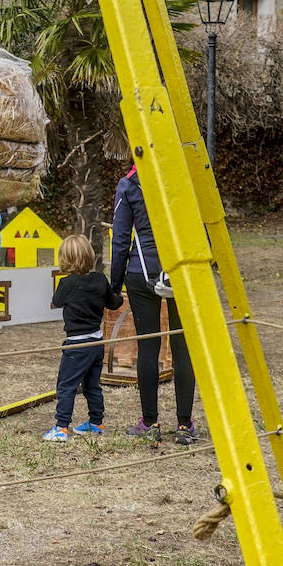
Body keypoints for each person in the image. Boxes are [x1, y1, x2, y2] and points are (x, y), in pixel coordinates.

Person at [109, 166, 198, 445]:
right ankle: (184, 425)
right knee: (182, 346)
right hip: (180, 270)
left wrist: (114, 284)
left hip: (140, 271)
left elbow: (120, 240)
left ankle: (149, 422)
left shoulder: (128, 184)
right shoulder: (184, 177)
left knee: (148, 347)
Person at [43, 235, 122, 442]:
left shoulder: (67, 283)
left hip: (76, 345)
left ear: (65, 259)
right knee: (92, 385)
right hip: (97, 342)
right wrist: (118, 294)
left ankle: (61, 428)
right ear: (90, 256)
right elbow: (113, 303)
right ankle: (96, 423)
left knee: (66, 386)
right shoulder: (99, 280)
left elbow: (56, 301)